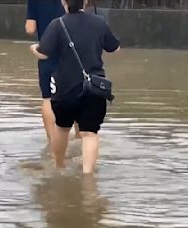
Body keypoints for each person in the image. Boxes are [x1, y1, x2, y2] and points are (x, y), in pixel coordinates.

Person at [29, 0, 120, 173]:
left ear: (64, 2)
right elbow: (114, 48)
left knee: (62, 128)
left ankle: (59, 166)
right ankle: (88, 176)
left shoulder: (58, 24)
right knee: (90, 133)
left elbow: (43, 54)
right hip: (94, 87)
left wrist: (33, 48)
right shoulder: (99, 22)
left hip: (65, 88)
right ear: (85, 2)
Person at [25, 0, 80, 143]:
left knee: (48, 99)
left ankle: (52, 141)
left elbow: (30, 29)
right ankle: (81, 138)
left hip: (47, 54)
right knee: (78, 96)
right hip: (74, 54)